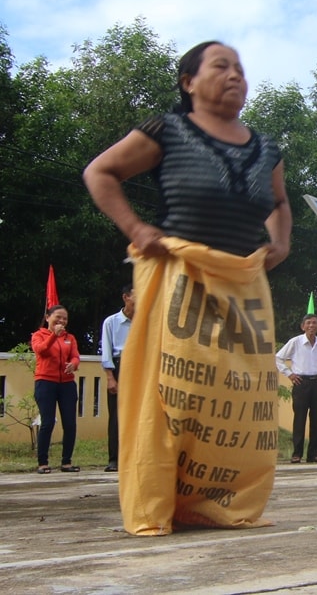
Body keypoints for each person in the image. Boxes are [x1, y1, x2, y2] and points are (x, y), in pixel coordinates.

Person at [84, 41, 291, 534]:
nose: (235, 74)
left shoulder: (267, 149)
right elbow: (100, 172)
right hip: (177, 278)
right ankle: (158, 501)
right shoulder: (168, 130)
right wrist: (136, 229)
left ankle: (217, 502)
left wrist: (280, 241)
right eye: (220, 66)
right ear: (188, 82)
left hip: (243, 286)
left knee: (239, 400)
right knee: (174, 394)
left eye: (240, 67)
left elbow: (279, 204)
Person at [31, 305, 80, 473]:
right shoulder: (38, 335)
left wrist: (73, 364)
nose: (61, 321)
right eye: (58, 317)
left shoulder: (70, 338)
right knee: (48, 422)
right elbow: (41, 350)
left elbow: (75, 355)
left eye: (65, 318)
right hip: (45, 382)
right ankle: (42, 463)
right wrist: (54, 335)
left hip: (67, 384)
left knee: (70, 424)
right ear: (47, 318)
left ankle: (67, 462)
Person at [276, 314, 317, 463]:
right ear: (303, 326)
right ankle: (297, 453)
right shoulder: (295, 342)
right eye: (308, 323)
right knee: (299, 419)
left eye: (314, 323)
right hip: (301, 383)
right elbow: (278, 358)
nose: (311, 326)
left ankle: (314, 453)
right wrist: (289, 374)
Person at [99, 285, 134, 472]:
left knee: (141, 415)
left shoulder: (147, 321)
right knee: (117, 416)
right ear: (126, 297)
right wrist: (110, 377)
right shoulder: (111, 322)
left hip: (141, 368)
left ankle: (136, 457)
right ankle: (114, 459)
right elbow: (106, 352)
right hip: (119, 367)